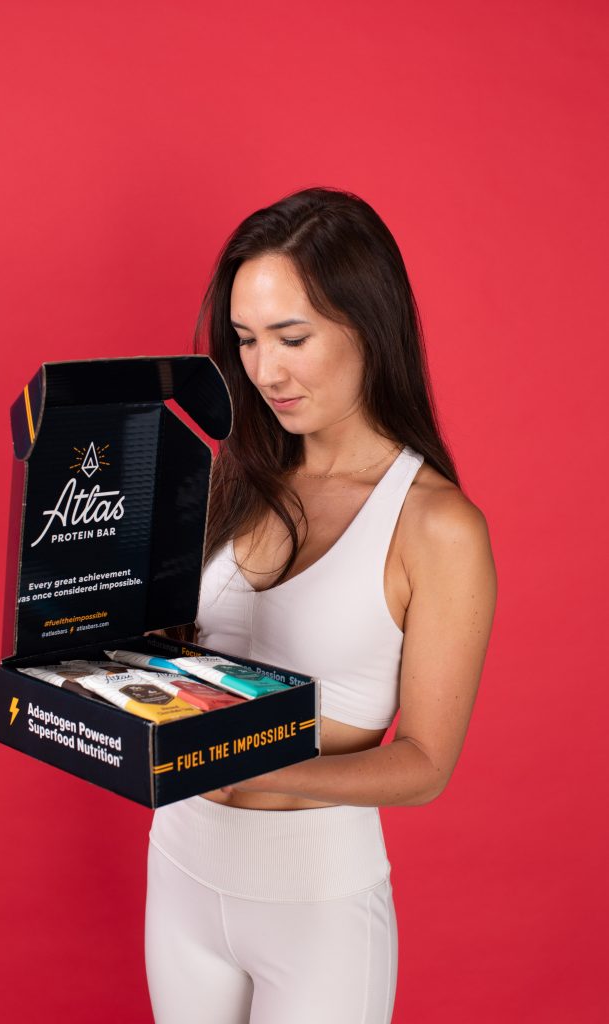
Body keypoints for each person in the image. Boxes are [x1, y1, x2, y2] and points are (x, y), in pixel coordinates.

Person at [144, 186, 498, 1024]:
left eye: (292, 337)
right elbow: (173, 663)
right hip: (180, 864)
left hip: (313, 906)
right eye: (246, 340)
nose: (265, 371)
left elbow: (424, 763)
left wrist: (243, 763)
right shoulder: (233, 478)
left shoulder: (434, 525)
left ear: (367, 326)